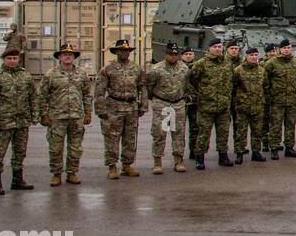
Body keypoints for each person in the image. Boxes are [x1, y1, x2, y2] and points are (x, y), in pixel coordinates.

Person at [36, 40, 93, 187]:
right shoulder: (51, 75)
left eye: (70, 54)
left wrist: (88, 112)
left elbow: (87, 94)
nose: (68, 57)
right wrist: (43, 115)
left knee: (75, 148)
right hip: (57, 117)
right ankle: (56, 173)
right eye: (65, 54)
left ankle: (72, 172)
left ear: (74, 57)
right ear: (59, 57)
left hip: (76, 117)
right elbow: (42, 96)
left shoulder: (82, 74)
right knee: (55, 148)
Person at [0, 46, 35, 194]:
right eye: (9, 59)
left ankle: (17, 180)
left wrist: (34, 114)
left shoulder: (25, 76)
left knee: (20, 152)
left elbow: (33, 96)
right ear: (4, 60)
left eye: (15, 58)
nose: (12, 61)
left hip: (22, 121)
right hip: (4, 122)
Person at [96, 37, 145, 179]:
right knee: (112, 138)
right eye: (122, 50)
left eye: (127, 51)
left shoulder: (136, 68)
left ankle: (127, 165)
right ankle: (112, 166)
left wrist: (143, 106)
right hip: (113, 106)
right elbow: (99, 91)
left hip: (131, 107)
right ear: (116, 52)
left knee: (130, 138)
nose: (125, 53)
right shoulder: (108, 69)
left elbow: (142, 87)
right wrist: (100, 110)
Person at [145, 41, 190, 173]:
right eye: (171, 54)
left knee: (179, 134)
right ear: (166, 54)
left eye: (176, 54)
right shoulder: (156, 69)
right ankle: (157, 162)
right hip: (162, 105)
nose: (173, 57)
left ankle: (178, 161)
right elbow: (149, 87)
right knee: (160, 133)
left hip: (178, 104)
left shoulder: (184, 69)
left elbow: (186, 85)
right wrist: (156, 99)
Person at [190, 37, 233, 169]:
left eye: (220, 47)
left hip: (223, 106)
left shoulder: (227, 62)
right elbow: (192, 80)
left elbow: (232, 79)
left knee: (223, 133)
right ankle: (200, 157)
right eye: (215, 47)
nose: (218, 49)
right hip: (206, 106)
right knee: (203, 133)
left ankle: (223, 156)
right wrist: (202, 94)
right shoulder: (201, 64)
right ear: (209, 48)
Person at [264, 39, 296, 158]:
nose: (287, 50)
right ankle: (274, 148)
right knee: (276, 125)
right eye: (284, 48)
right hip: (277, 100)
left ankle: (289, 148)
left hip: (292, 99)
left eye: (288, 48)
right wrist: (269, 94)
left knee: (290, 125)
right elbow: (264, 80)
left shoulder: (295, 62)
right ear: (280, 49)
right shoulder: (272, 62)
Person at [232, 46, 268, 163]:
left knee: (257, 131)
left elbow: (266, 86)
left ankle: (256, 152)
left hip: (258, 105)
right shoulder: (238, 70)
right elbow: (232, 86)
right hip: (243, 106)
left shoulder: (262, 70)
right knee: (241, 131)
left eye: (256, 55)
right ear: (246, 56)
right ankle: (239, 153)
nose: (254, 57)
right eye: (251, 55)